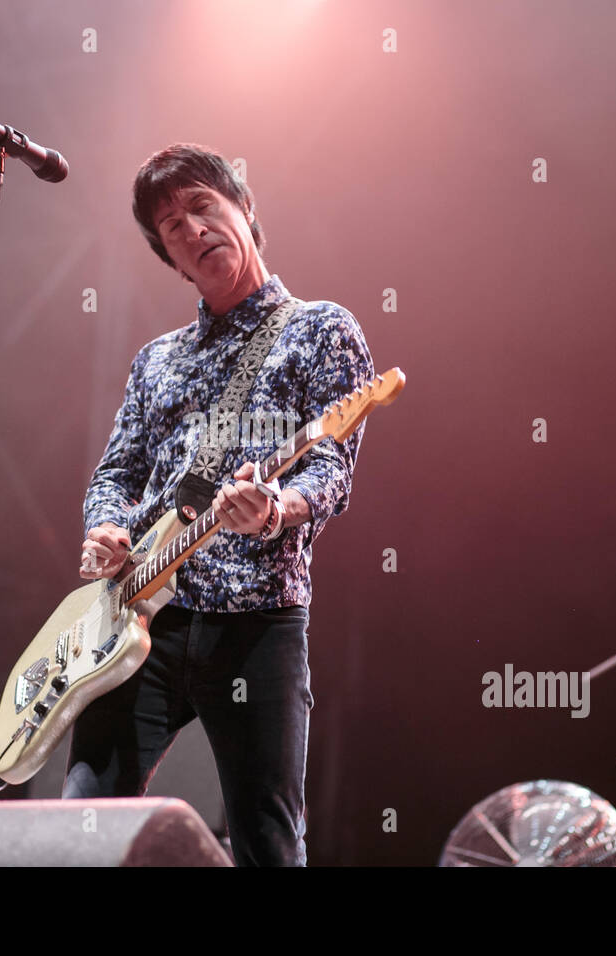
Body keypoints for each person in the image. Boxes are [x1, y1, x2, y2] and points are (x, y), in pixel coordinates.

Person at [62, 143, 374, 866]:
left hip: (256, 622)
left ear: (245, 210)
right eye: (172, 226)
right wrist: (104, 527)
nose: (192, 229)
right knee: (80, 824)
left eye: (204, 206)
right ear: (169, 259)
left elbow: (330, 468)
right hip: (139, 618)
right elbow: (115, 473)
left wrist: (275, 511)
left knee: (267, 840)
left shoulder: (321, 329)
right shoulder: (156, 360)